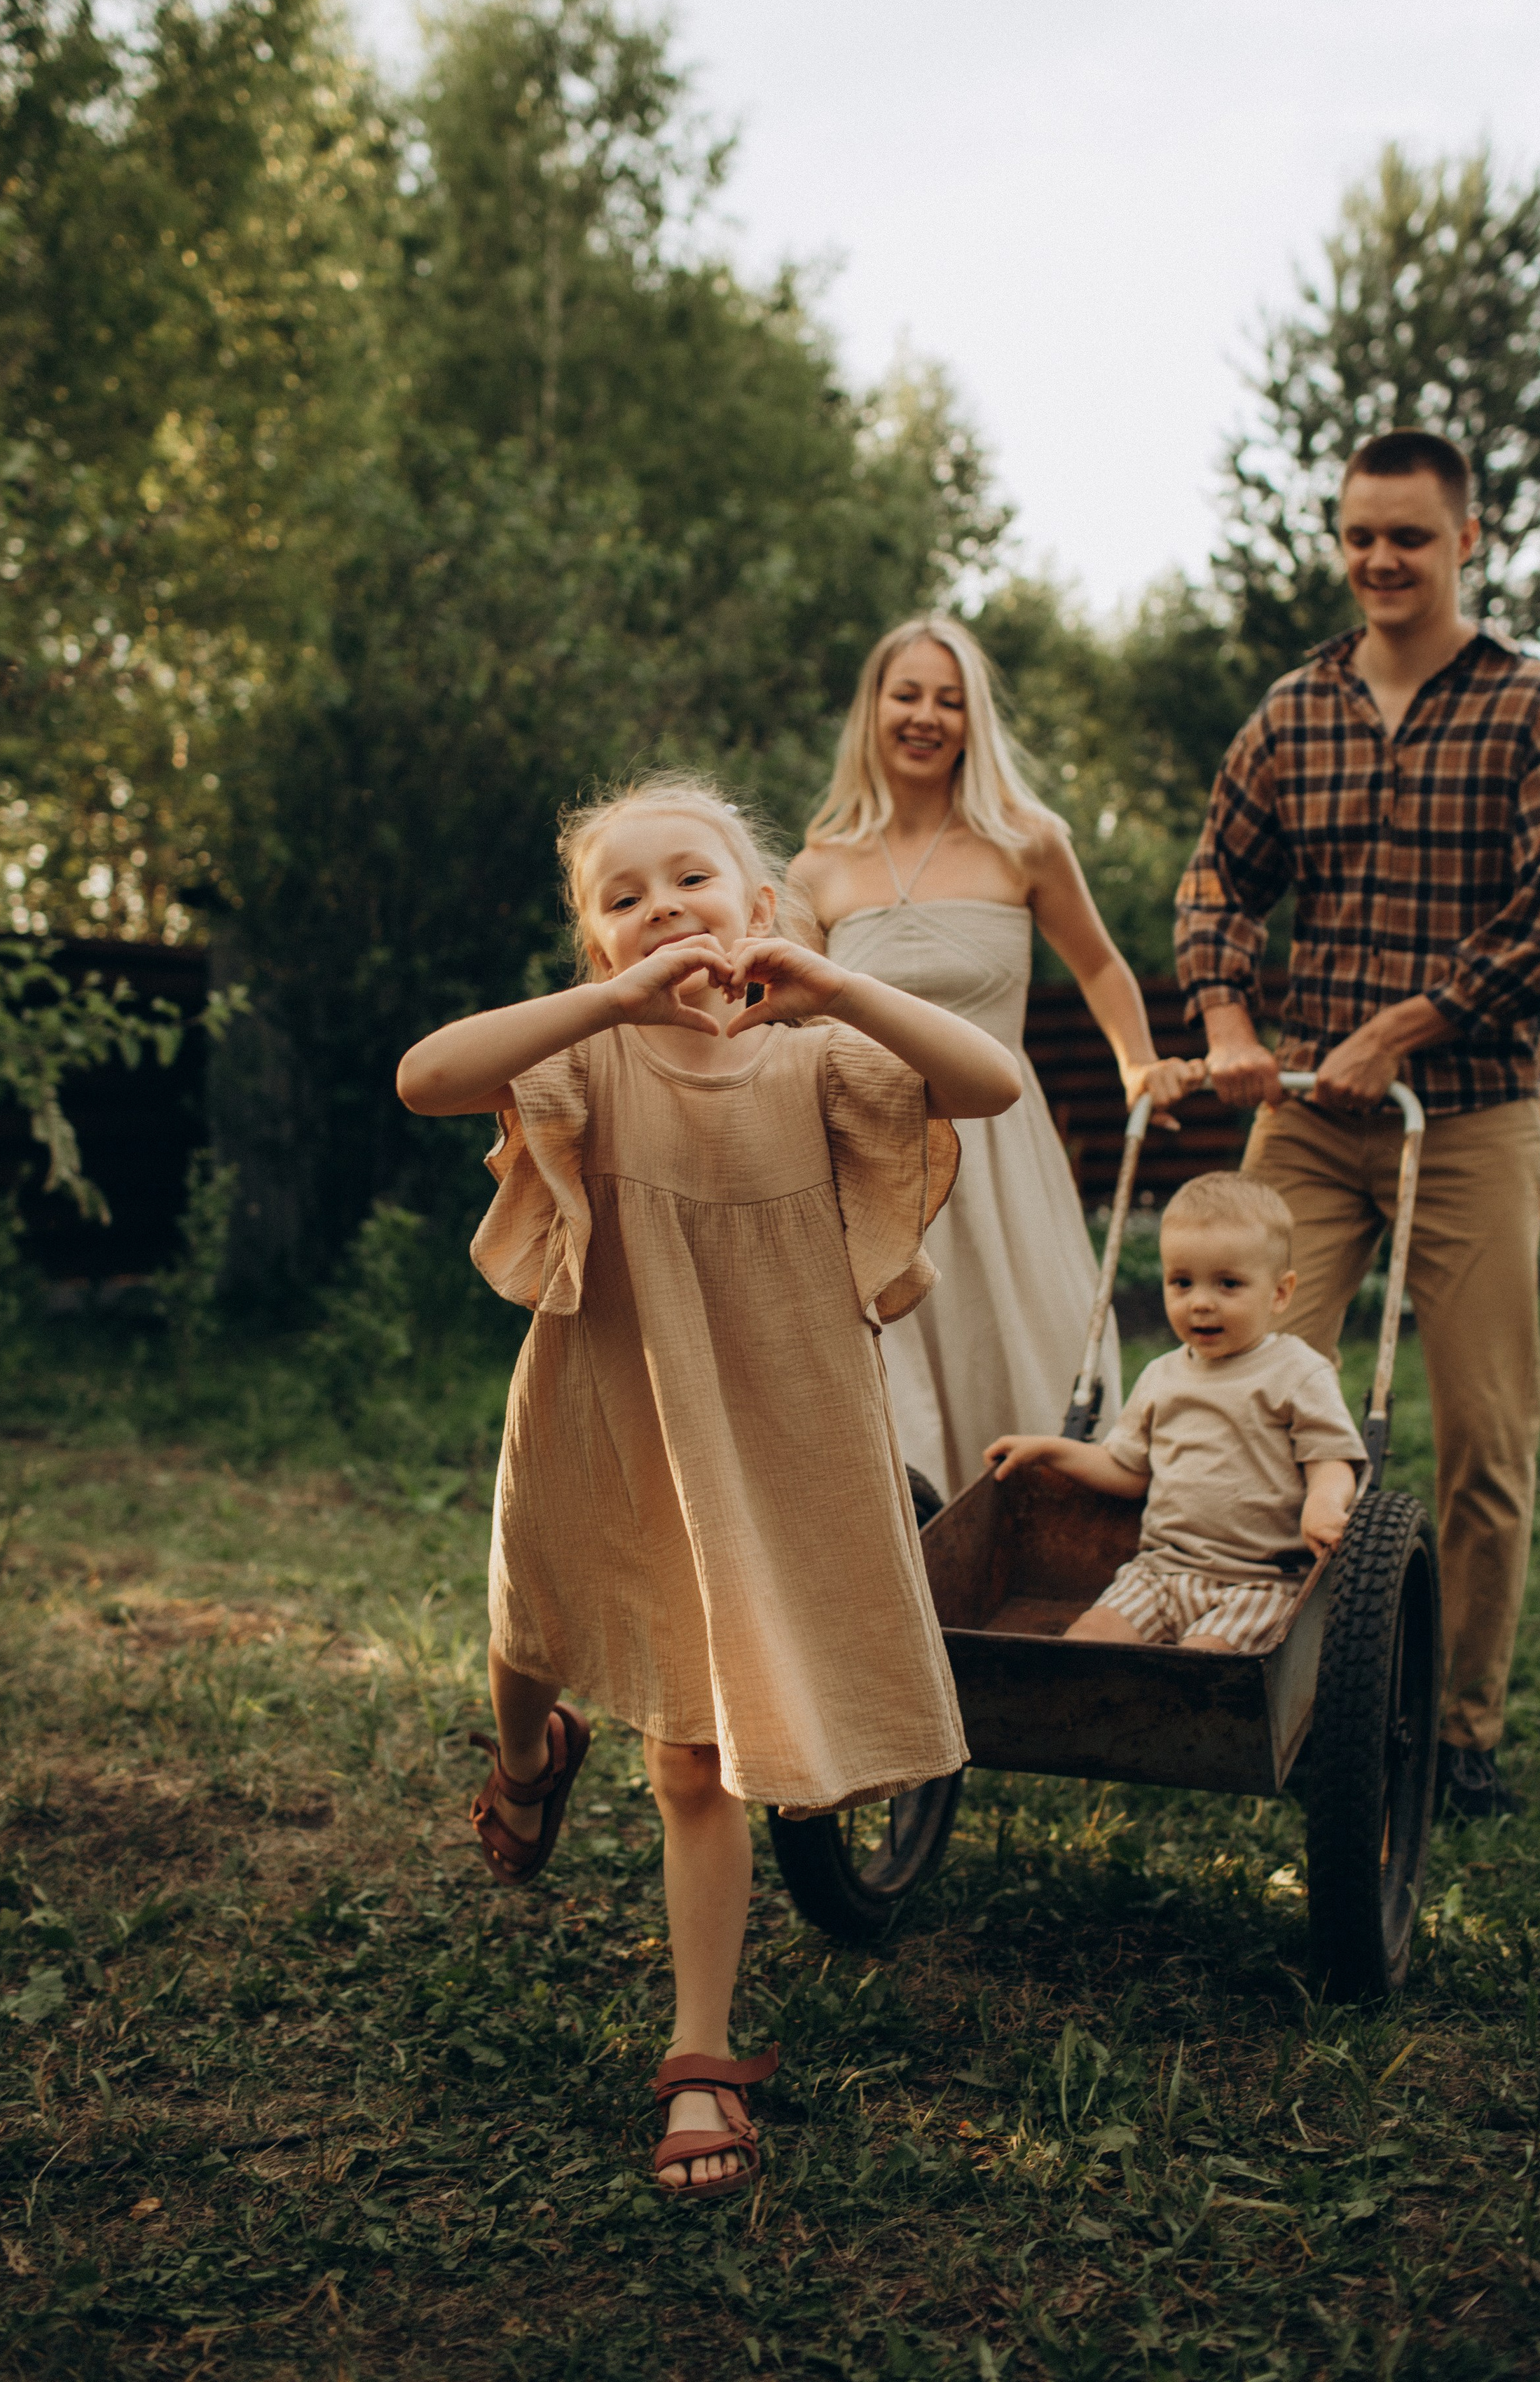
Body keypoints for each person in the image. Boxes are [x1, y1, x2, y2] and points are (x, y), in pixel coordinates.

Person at [396, 777, 1020, 2198]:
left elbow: (987, 1086)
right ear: (595, 945)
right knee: (529, 1635)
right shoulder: (588, 1055)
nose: (661, 908)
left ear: (757, 907)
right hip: (601, 1418)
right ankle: (527, 1760)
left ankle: (696, 2054)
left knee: (693, 1747)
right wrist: (603, 1008)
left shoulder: (817, 1061)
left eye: (691, 880)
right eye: (623, 899)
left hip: (768, 1434)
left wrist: (841, 991)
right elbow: (427, 1077)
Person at [1176, 428, 1540, 1814]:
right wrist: (1227, 1024)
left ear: (1462, 541)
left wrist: (1405, 1024)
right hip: (1307, 1116)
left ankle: (1458, 1731)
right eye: (1359, 534)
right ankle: (1261, 1687)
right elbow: (1213, 886)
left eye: (1408, 537)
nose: (1380, 560)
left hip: (1471, 1116)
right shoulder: (1290, 712)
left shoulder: (1534, 711)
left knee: (1483, 1433)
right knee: (1243, 1398)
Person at [783, 616, 1197, 1502]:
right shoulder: (815, 871)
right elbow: (777, 1017)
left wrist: (1138, 1063)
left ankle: (1044, 1535)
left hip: (1000, 1144)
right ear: (873, 711)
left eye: (949, 699)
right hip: (866, 1151)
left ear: (974, 719)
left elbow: (1098, 964)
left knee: (1024, 1340)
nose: (925, 716)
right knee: (891, 1368)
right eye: (907, 695)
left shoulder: (1026, 840)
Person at [984, 1174, 1365, 1652]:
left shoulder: (1297, 1372)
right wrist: (1051, 1450)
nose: (1201, 1302)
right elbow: (1128, 1469)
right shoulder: (1162, 1376)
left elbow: (1331, 1457)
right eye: (1182, 1282)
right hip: (1161, 1572)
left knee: (1198, 1668)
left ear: (1280, 1293)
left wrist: (1324, 1504)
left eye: (1228, 1284)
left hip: (1259, 1581)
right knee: (1085, 1644)